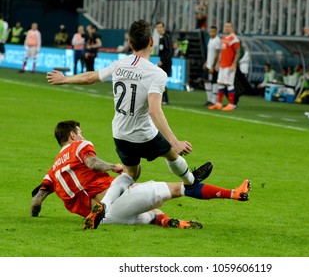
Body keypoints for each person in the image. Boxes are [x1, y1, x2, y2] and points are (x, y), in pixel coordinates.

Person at [46, 20, 213, 206]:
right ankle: (190, 182)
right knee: (172, 153)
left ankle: (104, 207)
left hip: (120, 133)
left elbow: (90, 77)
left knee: (131, 173)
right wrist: (175, 141)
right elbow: (154, 110)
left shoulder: (119, 64)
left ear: (131, 44)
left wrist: (65, 79)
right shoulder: (157, 73)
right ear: (152, 41)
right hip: (143, 134)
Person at [30, 120, 251, 230]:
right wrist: (112, 166)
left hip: (106, 220)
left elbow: (36, 201)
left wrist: (36, 213)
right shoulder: (79, 146)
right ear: (72, 134)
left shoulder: (53, 169)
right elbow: (92, 163)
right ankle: (234, 193)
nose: (82, 134)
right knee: (178, 188)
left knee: (147, 211)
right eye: (79, 131)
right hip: (111, 202)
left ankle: (172, 222)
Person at [208, 22, 241, 111]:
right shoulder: (224, 38)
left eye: (229, 26)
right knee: (220, 83)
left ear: (232, 28)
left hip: (229, 65)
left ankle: (231, 104)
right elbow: (222, 52)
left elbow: (238, 52)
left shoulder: (234, 39)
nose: (227, 28)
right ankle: (219, 103)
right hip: (222, 65)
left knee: (229, 84)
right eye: (225, 26)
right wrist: (218, 63)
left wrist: (234, 64)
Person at [203, 25, 221, 106]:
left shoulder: (217, 40)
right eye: (210, 31)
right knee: (206, 80)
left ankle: (214, 100)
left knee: (214, 82)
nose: (211, 33)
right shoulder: (210, 39)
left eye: (213, 32)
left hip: (214, 66)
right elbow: (210, 53)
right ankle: (209, 99)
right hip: (208, 64)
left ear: (216, 32)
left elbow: (217, 55)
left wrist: (213, 66)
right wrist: (206, 62)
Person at [155, 21, 173, 105]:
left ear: (163, 27)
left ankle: (165, 99)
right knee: (161, 81)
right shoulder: (161, 37)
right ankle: (163, 98)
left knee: (162, 80)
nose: (158, 29)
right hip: (162, 61)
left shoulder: (166, 37)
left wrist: (163, 60)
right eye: (157, 27)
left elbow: (169, 51)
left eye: (160, 27)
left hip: (165, 62)